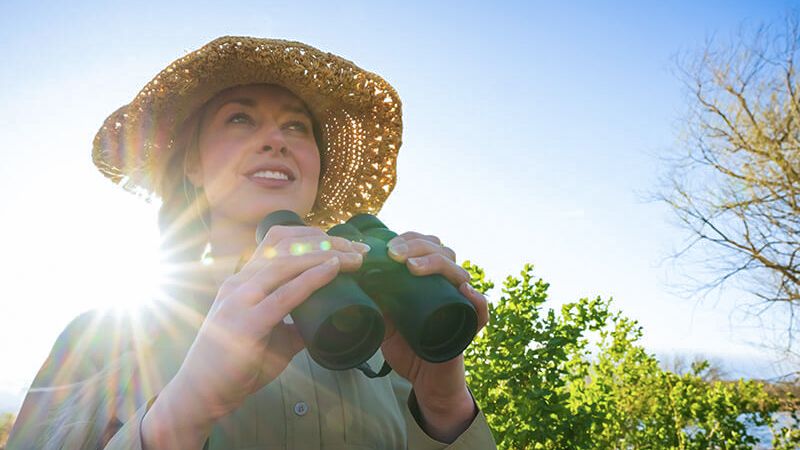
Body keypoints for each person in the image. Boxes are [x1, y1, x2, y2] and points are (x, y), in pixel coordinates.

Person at [7, 36, 497, 449]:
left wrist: (443, 405)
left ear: (317, 172)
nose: (276, 140)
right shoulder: (105, 338)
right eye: (240, 118)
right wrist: (181, 413)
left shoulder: (383, 337)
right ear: (192, 165)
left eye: (296, 127)